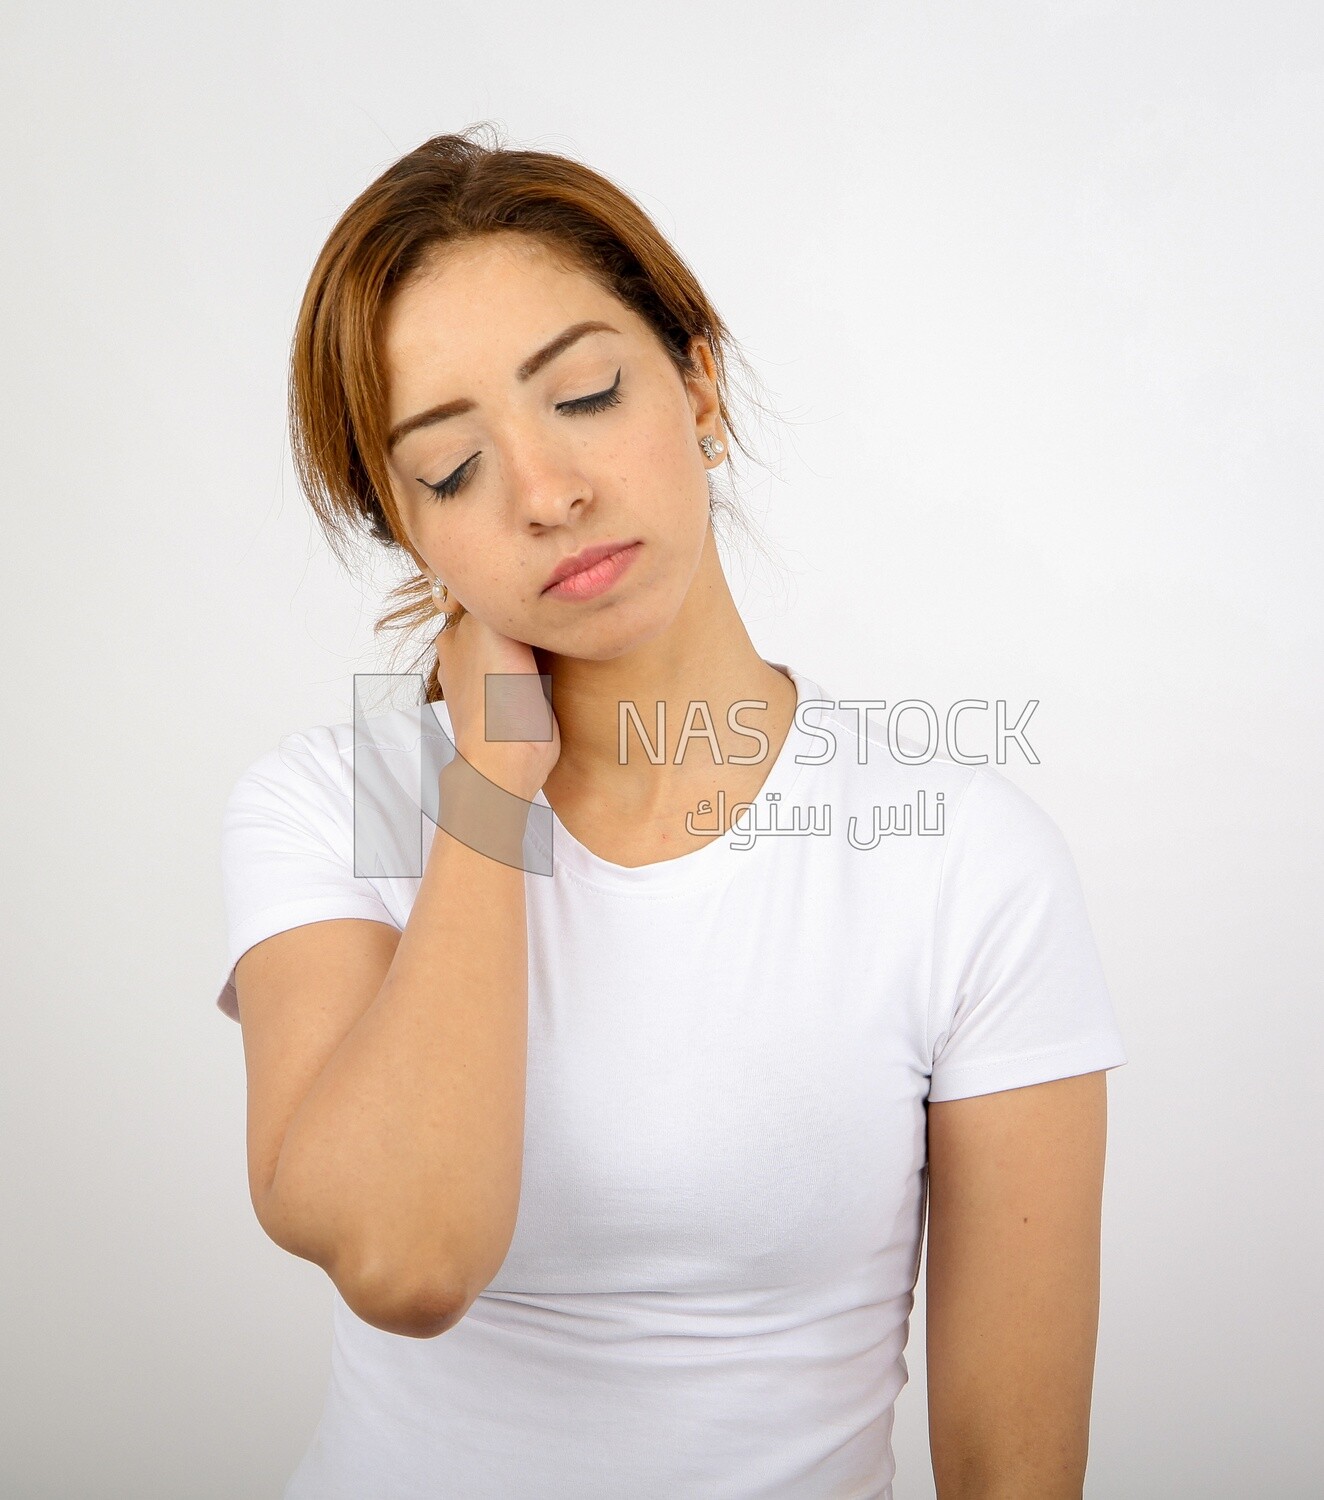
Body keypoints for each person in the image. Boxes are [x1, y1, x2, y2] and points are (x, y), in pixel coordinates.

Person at [216, 125, 1128, 1500]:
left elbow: (1013, 1469)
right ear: (413, 535)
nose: (548, 492)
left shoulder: (966, 859)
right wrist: (487, 788)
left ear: (698, 383)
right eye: (452, 469)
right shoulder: (324, 811)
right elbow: (409, 1261)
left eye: (583, 394)